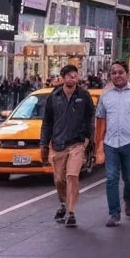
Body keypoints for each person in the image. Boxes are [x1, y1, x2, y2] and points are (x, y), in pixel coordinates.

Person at [39, 64, 96, 229]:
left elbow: (90, 117)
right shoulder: (54, 96)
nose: (73, 79)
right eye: (70, 76)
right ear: (63, 78)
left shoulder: (84, 96)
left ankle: (71, 212)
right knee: (59, 179)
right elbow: (47, 122)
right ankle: (63, 203)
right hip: (57, 144)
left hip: (77, 143)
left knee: (72, 175)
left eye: (75, 76)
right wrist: (44, 143)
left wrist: (89, 139)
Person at [95, 61, 130, 227]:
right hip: (110, 143)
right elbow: (101, 119)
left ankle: (128, 198)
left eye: (120, 72)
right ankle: (114, 213)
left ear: (127, 74)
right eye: (114, 73)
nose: (117, 75)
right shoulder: (105, 95)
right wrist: (98, 144)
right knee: (111, 178)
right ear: (110, 76)